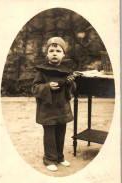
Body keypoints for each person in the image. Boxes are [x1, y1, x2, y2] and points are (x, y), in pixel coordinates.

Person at [32, 37, 76, 171]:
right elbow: (34, 88)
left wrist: (70, 84)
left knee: (61, 133)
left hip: (62, 109)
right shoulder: (41, 71)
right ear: (47, 54)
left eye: (58, 50)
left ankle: (60, 157)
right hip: (48, 110)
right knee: (50, 134)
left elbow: (73, 90)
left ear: (64, 54)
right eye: (51, 50)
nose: (54, 53)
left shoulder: (66, 71)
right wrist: (47, 87)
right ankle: (49, 159)